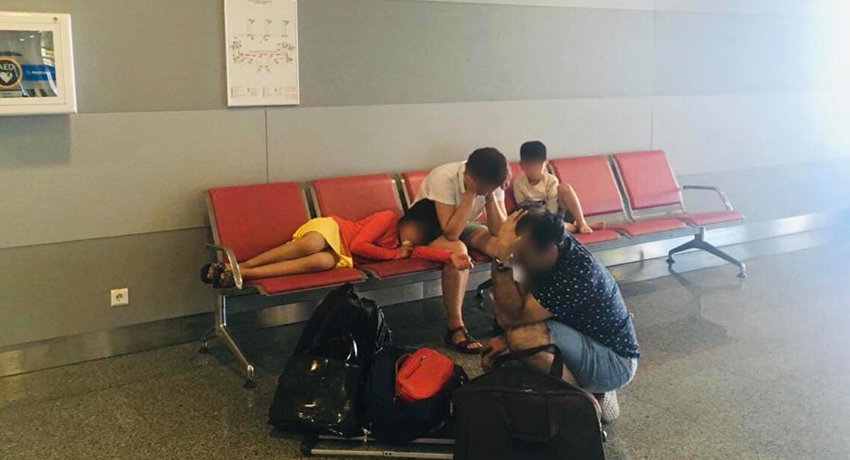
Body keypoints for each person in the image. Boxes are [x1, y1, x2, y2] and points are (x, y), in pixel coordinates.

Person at [482, 208, 639, 422]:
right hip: (579, 335)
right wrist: (502, 338)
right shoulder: (544, 246)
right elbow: (513, 305)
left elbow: (509, 318)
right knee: (497, 359)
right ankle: (581, 387)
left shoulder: (576, 273)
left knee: (522, 339)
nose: (515, 259)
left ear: (550, 251)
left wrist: (501, 260)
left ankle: (584, 403)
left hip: (614, 362)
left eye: (520, 255)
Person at [403, 148, 510, 354]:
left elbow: (500, 231)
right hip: (423, 228)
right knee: (459, 252)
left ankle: (504, 316)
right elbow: (451, 233)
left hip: (462, 224)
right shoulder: (443, 177)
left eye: (492, 186)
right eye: (485, 186)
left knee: (504, 248)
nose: (488, 189)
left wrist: (490, 197)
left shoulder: (493, 179)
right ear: (470, 177)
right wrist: (470, 194)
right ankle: (455, 328)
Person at [201, 209, 472, 288]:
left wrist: (451, 256)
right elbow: (358, 244)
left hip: (342, 256)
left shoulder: (407, 245)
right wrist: (393, 254)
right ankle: (243, 264)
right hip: (335, 230)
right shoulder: (387, 218)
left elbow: (422, 253)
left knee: (321, 262)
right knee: (312, 244)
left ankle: (244, 274)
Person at [512, 140, 604, 234]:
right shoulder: (519, 184)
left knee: (565, 188)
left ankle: (581, 223)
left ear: (545, 163)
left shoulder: (551, 181)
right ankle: (575, 227)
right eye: (529, 166)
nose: (534, 170)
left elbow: (553, 209)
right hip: (536, 220)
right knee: (551, 228)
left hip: (555, 216)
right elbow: (522, 209)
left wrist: (551, 221)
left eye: (538, 165)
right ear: (522, 165)